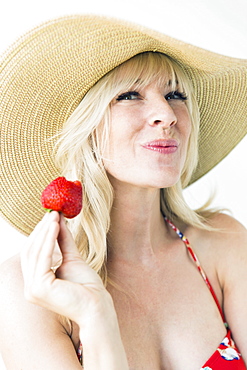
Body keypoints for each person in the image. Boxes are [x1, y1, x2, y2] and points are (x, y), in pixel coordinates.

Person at [0, 14, 246, 370]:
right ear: (85, 129)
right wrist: (95, 315)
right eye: (129, 95)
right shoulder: (29, 290)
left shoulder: (223, 244)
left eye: (175, 94)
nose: (167, 113)